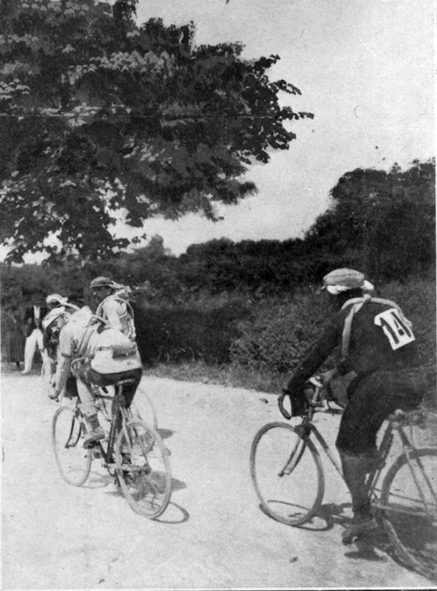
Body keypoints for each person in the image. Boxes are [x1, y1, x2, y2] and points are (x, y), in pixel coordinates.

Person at [280, 268, 425, 543]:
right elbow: (375, 351)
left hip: (385, 383)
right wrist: (336, 372)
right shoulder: (383, 307)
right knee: (361, 414)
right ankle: (368, 461)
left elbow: (317, 353)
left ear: (337, 295)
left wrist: (292, 384)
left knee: (346, 445)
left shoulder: (347, 313)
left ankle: (362, 516)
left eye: (327, 295)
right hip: (417, 381)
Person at [50, 305, 143, 444]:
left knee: (80, 375)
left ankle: (95, 427)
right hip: (135, 365)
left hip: (110, 364)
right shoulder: (93, 319)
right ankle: (123, 454)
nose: (54, 329)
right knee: (119, 411)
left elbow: (63, 366)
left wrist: (56, 391)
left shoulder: (66, 330)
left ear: (64, 317)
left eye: (54, 323)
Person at [21, 295, 48, 374]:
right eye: (36, 300)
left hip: (41, 331)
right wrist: (29, 321)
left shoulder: (44, 310)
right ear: (33, 301)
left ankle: (47, 368)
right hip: (31, 331)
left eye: (39, 300)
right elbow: (24, 320)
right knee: (29, 350)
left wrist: (41, 321)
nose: (37, 302)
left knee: (44, 349)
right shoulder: (28, 310)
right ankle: (27, 368)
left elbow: (47, 320)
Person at [2, 304, 25, 368]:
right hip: (10, 335)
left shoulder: (17, 318)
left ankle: (18, 362)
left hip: (17, 335)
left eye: (12, 311)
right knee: (12, 348)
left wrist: (21, 334)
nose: (11, 313)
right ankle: (11, 362)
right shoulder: (6, 320)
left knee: (18, 348)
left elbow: (20, 326)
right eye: (9, 312)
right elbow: (7, 328)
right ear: (7, 313)